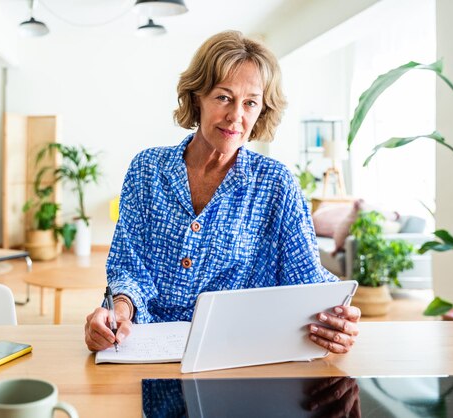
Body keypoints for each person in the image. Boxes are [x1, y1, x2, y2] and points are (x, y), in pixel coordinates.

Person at [85, 30, 360, 354]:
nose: (236, 116)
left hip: (238, 358)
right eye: (224, 97)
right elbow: (128, 268)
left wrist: (339, 317)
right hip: (146, 352)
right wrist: (119, 311)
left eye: (250, 103)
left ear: (263, 110)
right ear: (197, 96)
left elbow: (306, 279)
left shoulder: (276, 184)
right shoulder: (147, 169)